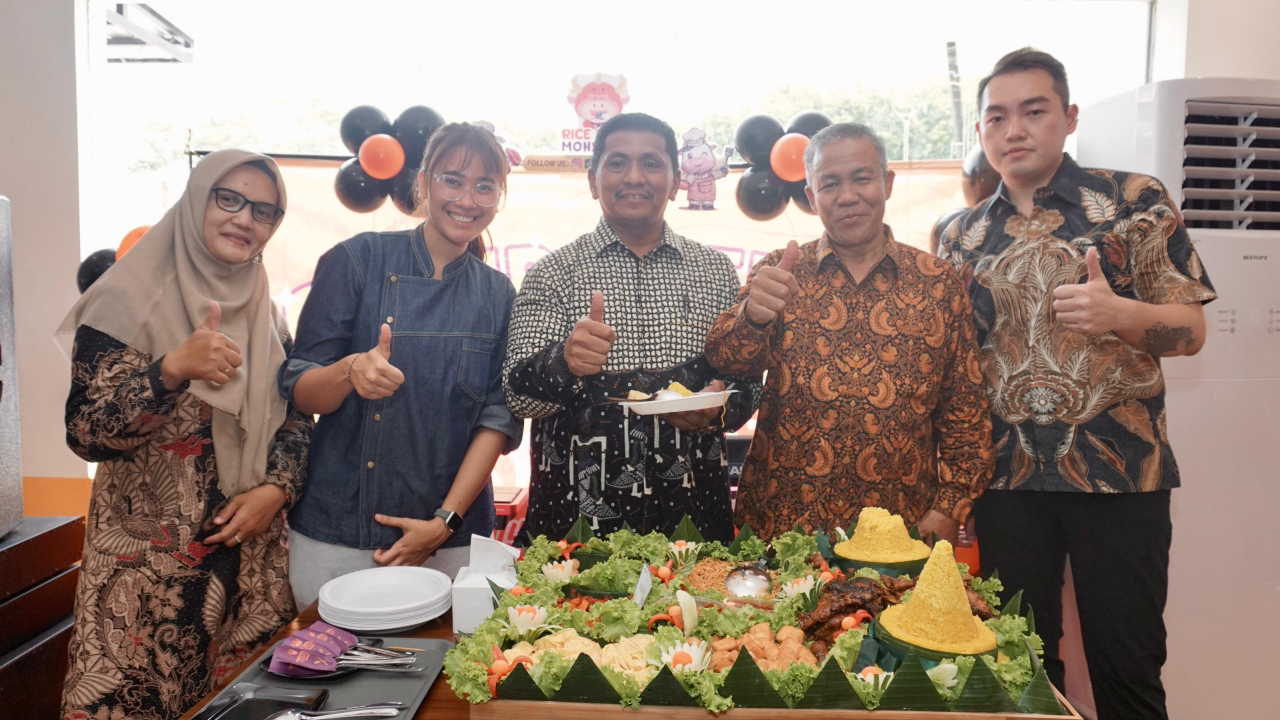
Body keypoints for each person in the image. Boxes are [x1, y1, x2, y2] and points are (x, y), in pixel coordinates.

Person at [939, 48, 1217, 720]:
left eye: (1034, 111)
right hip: (1005, 485)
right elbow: (952, 370)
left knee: (1127, 665)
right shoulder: (957, 235)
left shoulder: (1134, 201)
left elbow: (1192, 331)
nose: (1015, 130)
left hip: (1120, 476)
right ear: (981, 133)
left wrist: (1121, 315)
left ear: (1067, 118)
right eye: (997, 117)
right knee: (1018, 673)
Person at [57, 150, 313, 719]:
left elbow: (295, 420)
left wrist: (276, 491)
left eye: (265, 211)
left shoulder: (267, 315)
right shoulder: (122, 299)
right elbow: (85, 432)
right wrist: (170, 369)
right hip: (145, 580)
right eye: (230, 199)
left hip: (245, 566)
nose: (246, 219)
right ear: (197, 199)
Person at [704, 123, 994, 543]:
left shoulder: (938, 283)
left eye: (862, 179)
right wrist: (753, 315)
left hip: (902, 529)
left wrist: (949, 507)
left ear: (887, 183)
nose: (848, 196)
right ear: (811, 196)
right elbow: (728, 359)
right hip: (785, 525)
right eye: (830, 184)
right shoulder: (780, 272)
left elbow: (965, 412)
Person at [280, 123, 522, 608]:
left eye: (484, 186)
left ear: (499, 196)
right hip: (338, 531)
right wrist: (349, 371)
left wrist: (442, 523)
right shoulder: (356, 261)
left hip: (451, 540)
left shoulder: (497, 293)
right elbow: (300, 389)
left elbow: (497, 418)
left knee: (445, 678)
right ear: (423, 183)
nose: (467, 199)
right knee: (334, 668)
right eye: (452, 180)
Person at [504, 113, 761, 542]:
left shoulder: (715, 272)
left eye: (652, 163)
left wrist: (718, 407)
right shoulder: (553, 273)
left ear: (677, 180)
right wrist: (564, 362)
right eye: (618, 163)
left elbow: (748, 384)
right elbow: (517, 399)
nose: (635, 177)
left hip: (692, 528)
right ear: (593, 179)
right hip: (577, 534)